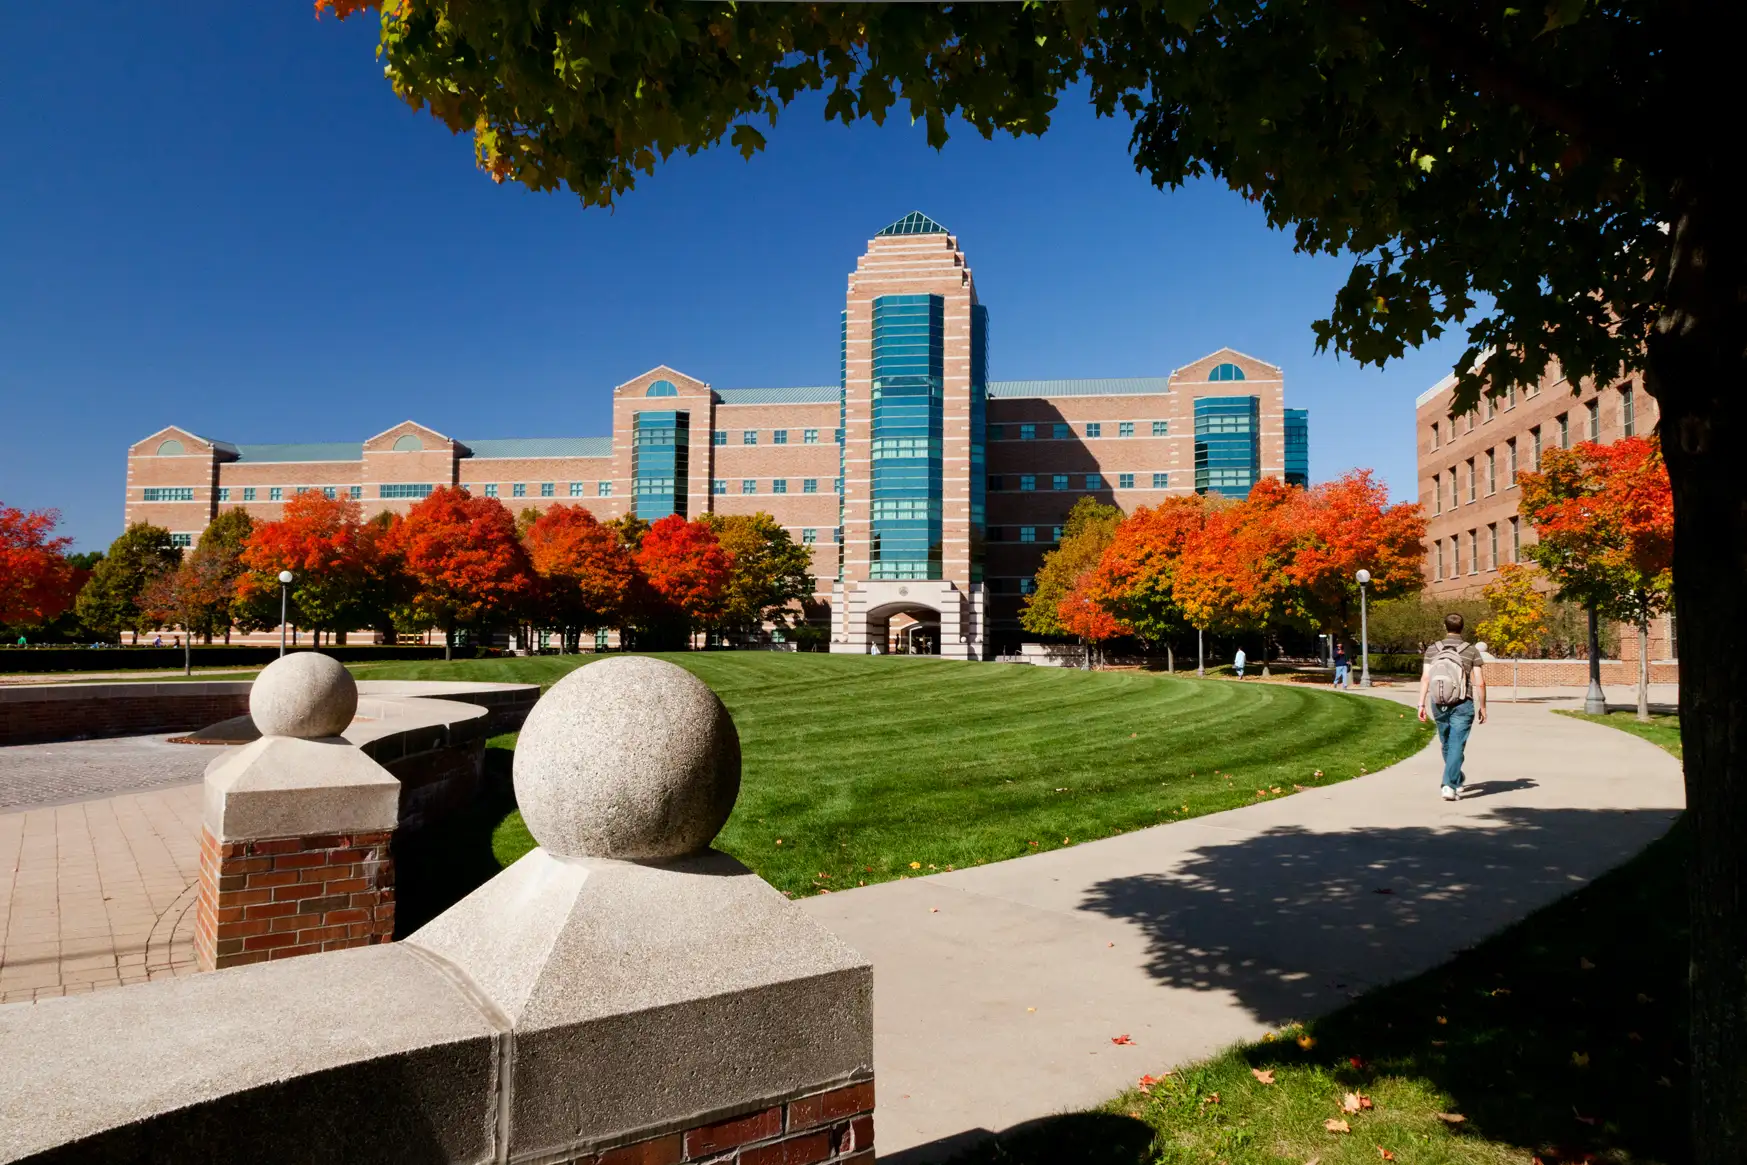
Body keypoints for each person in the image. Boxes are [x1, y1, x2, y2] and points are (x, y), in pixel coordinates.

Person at [1417, 612, 1486, 801]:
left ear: (1444, 626)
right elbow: (1479, 681)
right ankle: (1450, 783)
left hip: (1438, 702)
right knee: (1456, 744)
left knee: (1447, 742)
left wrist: (1421, 703)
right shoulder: (1471, 650)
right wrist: (1483, 706)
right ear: (1462, 627)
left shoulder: (1432, 649)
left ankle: (1452, 779)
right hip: (1464, 702)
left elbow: (1425, 678)